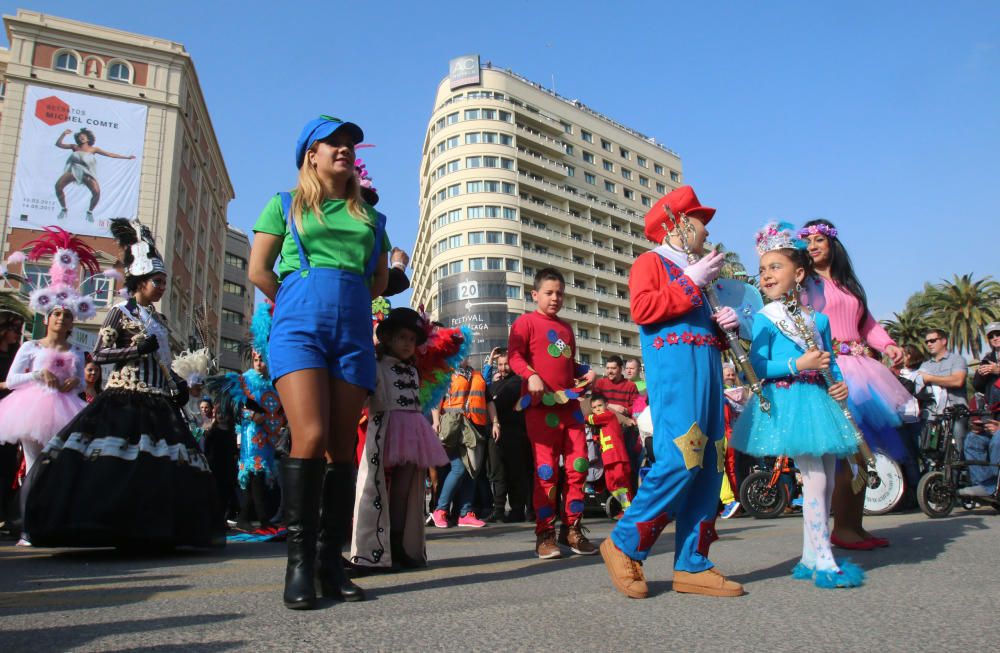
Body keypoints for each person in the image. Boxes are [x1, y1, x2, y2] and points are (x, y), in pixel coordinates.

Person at [248, 115, 388, 609]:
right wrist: (294, 303)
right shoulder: (282, 205)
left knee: (340, 448)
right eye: (333, 142)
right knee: (308, 435)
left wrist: (347, 303)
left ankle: (331, 559)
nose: (345, 148)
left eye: (350, 142)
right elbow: (259, 269)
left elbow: (376, 282)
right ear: (311, 153)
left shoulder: (372, 218)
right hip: (299, 326)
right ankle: (300, 562)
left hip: (352, 330)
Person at [24, 219, 224, 550]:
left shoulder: (159, 320)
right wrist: (134, 348)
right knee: (120, 464)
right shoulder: (120, 312)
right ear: (140, 282)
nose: (161, 287)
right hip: (124, 399)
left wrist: (176, 382)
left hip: (158, 400)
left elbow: (162, 358)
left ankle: (153, 530)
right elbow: (100, 353)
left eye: (163, 282)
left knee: (157, 466)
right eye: (156, 282)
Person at [600, 185, 744, 599]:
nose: (706, 229)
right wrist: (688, 282)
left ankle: (693, 563)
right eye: (700, 220)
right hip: (675, 373)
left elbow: (697, 324)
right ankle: (624, 544)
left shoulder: (700, 271)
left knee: (711, 459)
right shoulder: (651, 262)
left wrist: (724, 325)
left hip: (708, 370)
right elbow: (644, 310)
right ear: (677, 224)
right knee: (682, 456)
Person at [731, 222, 865, 588]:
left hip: (821, 400)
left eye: (776, 267)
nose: (767, 275)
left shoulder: (818, 319)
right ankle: (825, 559)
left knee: (827, 471)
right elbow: (756, 366)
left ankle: (809, 556)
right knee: (816, 477)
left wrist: (839, 386)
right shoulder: (765, 318)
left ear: (800, 273)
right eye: (762, 270)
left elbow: (830, 360)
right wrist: (797, 364)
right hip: (790, 400)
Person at [799, 219, 911, 550]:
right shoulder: (807, 285)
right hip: (832, 369)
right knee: (847, 451)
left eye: (820, 239)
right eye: (809, 241)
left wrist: (889, 345)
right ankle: (842, 528)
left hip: (862, 369)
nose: (814, 245)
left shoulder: (849, 286)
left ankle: (855, 526)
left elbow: (868, 324)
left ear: (833, 244)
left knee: (863, 453)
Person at [508, 267, 597, 559]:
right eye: (549, 292)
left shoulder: (567, 329)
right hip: (540, 408)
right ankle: (544, 534)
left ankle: (571, 529)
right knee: (545, 472)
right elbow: (515, 357)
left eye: (559, 293)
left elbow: (569, 367)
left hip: (570, 407)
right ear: (535, 294)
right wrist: (530, 375)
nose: (555, 298)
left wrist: (586, 372)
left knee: (580, 467)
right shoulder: (524, 323)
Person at [351, 308, 448, 571]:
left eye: (413, 340)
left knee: (405, 492)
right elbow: (363, 397)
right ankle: (371, 548)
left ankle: (399, 546)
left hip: (413, 433)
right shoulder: (376, 364)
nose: (408, 344)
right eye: (402, 337)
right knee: (374, 486)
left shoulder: (414, 370)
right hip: (384, 429)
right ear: (389, 338)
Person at [430, 359, 488, 529]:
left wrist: (495, 421)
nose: (463, 355)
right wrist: (436, 421)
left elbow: (488, 399)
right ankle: (440, 510)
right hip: (451, 424)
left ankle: (465, 512)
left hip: (471, 426)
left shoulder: (474, 374)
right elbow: (435, 399)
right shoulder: (445, 373)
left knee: (471, 468)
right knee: (459, 467)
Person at [487, 349, 532, 522]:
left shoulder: (517, 382)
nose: (503, 368)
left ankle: (517, 510)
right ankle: (498, 510)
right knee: (498, 474)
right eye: (500, 364)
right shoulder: (495, 384)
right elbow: (491, 400)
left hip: (514, 434)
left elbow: (498, 402)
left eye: (506, 364)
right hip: (497, 434)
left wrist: (493, 401)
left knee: (515, 474)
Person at [54, 128, 136, 222]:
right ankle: (64, 209)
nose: (81, 138)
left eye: (83, 137)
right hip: (73, 170)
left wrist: (127, 157)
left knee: (96, 192)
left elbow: (110, 154)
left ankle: (89, 212)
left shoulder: (93, 149)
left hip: (87, 173)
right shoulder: (74, 147)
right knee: (58, 186)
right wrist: (63, 134)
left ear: (88, 139)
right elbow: (58, 144)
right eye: (80, 137)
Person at [0, 293, 30, 531]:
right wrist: (7, 383)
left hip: (10, 413)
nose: (18, 333)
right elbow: (10, 381)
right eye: (14, 328)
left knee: (9, 463)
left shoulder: (15, 354)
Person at [919, 329, 970, 456]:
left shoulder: (957, 360)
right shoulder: (925, 366)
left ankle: (957, 475)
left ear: (943, 341)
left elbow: (957, 380)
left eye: (932, 340)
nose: (929, 344)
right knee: (930, 452)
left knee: (957, 452)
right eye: (927, 342)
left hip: (956, 413)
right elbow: (918, 389)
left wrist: (929, 378)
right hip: (932, 416)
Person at [587, 393, 633, 518]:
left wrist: (579, 417)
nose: (597, 409)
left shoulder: (609, 415)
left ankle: (628, 509)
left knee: (621, 482)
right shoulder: (601, 425)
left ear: (606, 405)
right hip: (608, 460)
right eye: (594, 407)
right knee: (611, 485)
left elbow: (591, 419)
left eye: (600, 405)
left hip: (618, 457)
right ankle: (625, 506)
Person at [958, 396, 1000, 498]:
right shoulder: (990, 385)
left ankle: (992, 488)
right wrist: (979, 424)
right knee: (972, 439)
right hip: (992, 428)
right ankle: (983, 485)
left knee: (997, 440)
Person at [973, 322, 1000, 407]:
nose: (995, 338)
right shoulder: (987, 359)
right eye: (991, 337)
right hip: (993, 407)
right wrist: (980, 374)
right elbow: (977, 386)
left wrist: (998, 370)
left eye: (998, 335)